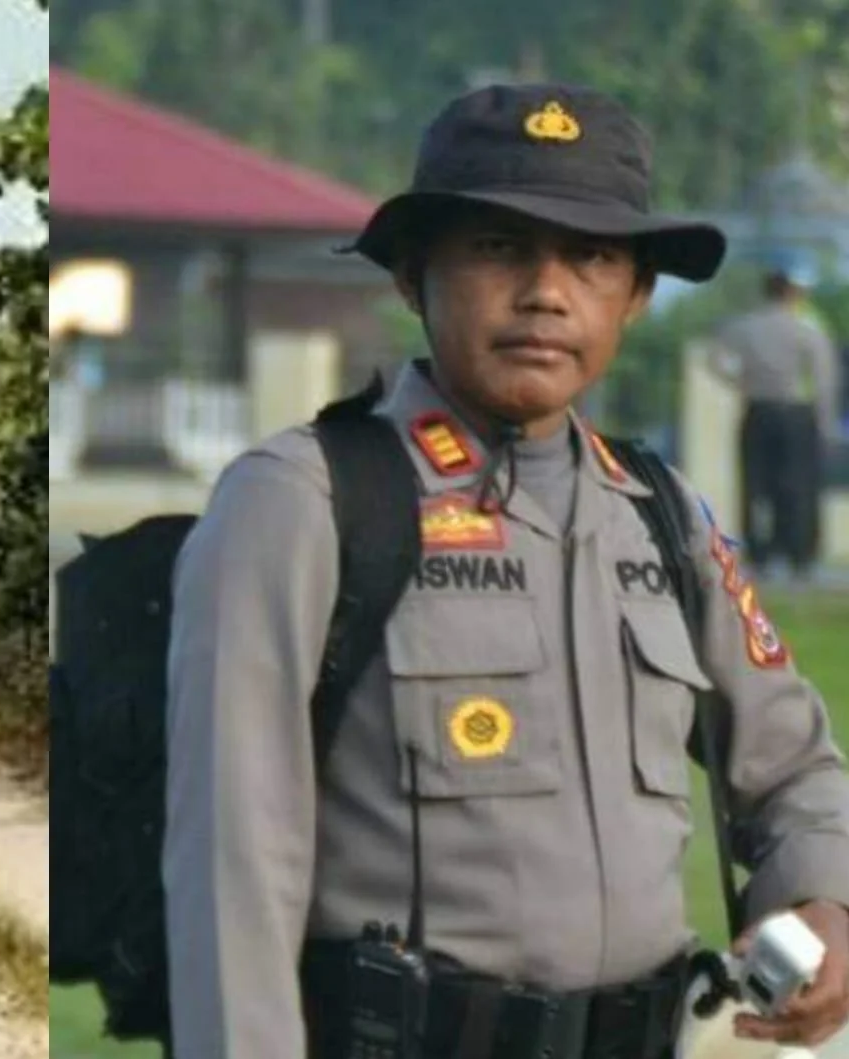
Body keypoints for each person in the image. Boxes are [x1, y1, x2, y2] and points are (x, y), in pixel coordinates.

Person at [163, 83, 849, 1058]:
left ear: (636, 296)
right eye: (498, 247)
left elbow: (792, 767)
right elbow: (231, 865)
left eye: (594, 256)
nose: (546, 290)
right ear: (412, 274)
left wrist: (824, 900)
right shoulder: (304, 499)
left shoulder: (659, 513)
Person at [712, 259, 840, 583]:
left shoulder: (745, 326)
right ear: (794, 292)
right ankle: (800, 556)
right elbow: (825, 377)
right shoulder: (807, 326)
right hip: (797, 411)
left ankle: (759, 554)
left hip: (757, 408)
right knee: (799, 486)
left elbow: (717, 359)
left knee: (755, 484)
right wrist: (825, 422)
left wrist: (740, 381)